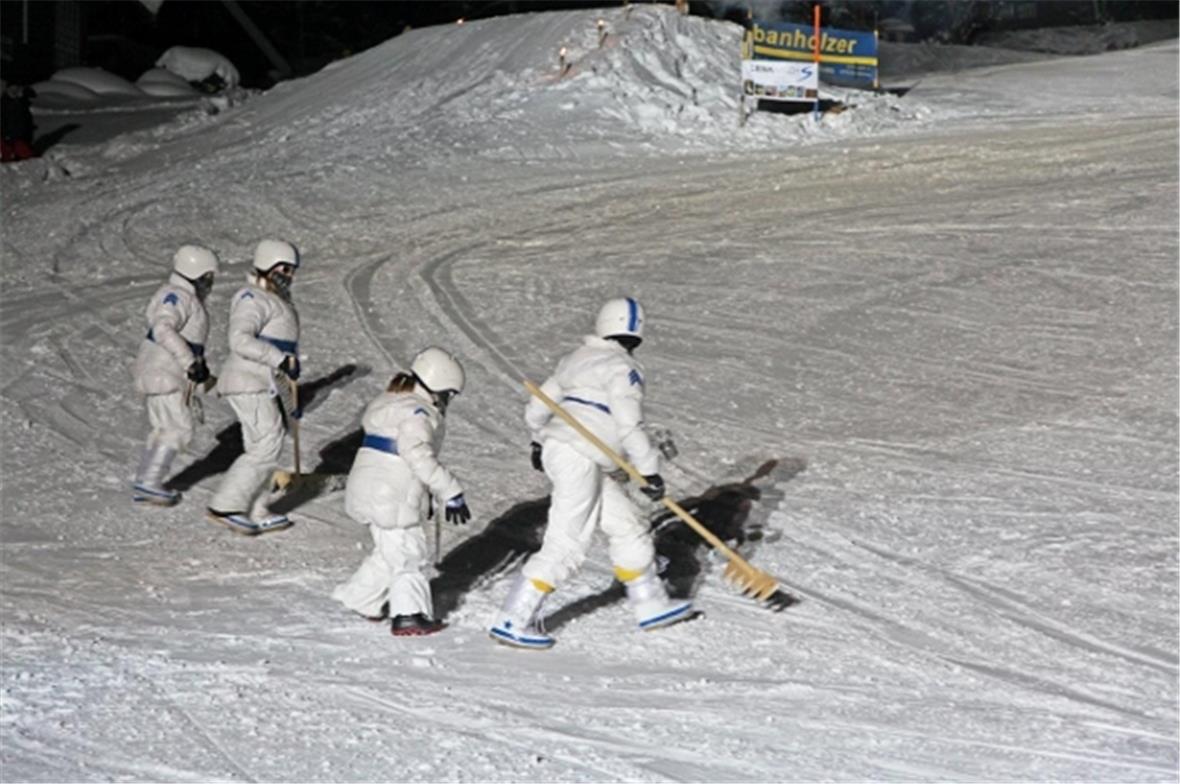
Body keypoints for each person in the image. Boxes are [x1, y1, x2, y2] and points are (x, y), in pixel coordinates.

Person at [489, 297, 693, 649]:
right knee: (567, 542)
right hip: (579, 456)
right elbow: (630, 426)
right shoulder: (623, 369)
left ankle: (650, 604)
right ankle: (514, 619)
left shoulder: (574, 360)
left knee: (627, 525)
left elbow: (539, 407)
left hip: (572, 453)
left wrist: (539, 441)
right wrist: (650, 473)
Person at [332, 347, 471, 636]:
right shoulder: (418, 412)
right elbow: (417, 455)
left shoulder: (393, 402)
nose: (446, 401)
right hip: (392, 492)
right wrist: (449, 490)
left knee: (389, 552)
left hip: (369, 486)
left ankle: (360, 598)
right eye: (447, 393)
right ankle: (409, 614)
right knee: (409, 554)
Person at [207, 239, 302, 534]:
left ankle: (258, 508)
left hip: (264, 381)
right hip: (248, 380)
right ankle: (226, 506)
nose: (288, 275)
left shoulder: (271, 299)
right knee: (266, 444)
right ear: (266, 265)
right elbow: (240, 339)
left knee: (265, 445)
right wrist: (280, 359)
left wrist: (287, 367)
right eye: (283, 268)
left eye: (292, 270)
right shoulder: (252, 297)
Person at [131, 245, 220, 505]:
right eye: (207, 278)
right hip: (165, 372)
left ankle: (146, 479)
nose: (209, 284)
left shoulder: (177, 294)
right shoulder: (178, 296)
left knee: (165, 428)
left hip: (162, 372)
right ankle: (149, 482)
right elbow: (163, 328)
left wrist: (204, 379)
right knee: (176, 428)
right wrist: (189, 363)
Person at [0, 80, 36, 162]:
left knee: (26, 156)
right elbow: (3, 120)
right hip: (7, 135)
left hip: (20, 134)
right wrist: (5, 134)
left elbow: (25, 117)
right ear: (7, 89)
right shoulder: (4, 103)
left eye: (16, 89)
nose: (14, 91)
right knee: (7, 156)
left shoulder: (20, 102)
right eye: (12, 89)